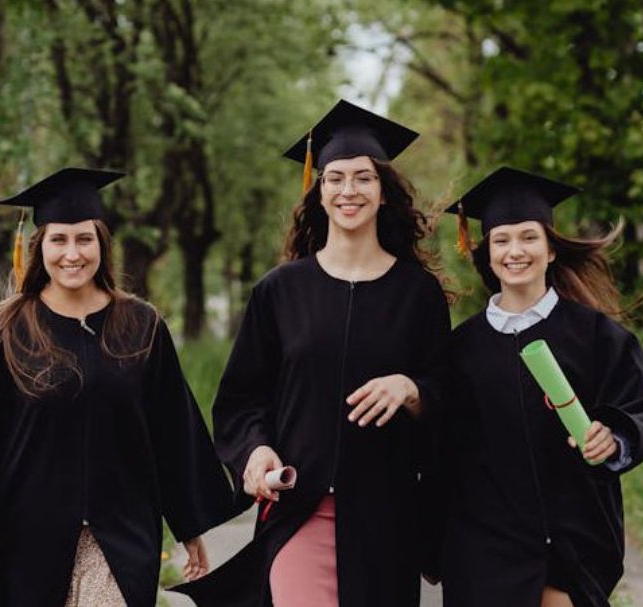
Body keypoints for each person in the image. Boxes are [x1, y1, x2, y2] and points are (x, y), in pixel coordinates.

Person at [172, 100, 451, 607]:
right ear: (318, 192)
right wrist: (255, 452)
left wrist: (411, 390)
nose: (349, 191)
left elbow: (448, 396)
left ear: (384, 192)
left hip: (384, 516)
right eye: (336, 178)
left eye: (364, 178)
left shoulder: (417, 295)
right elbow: (242, 400)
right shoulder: (280, 291)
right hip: (298, 508)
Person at [0, 168, 234, 607]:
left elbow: (172, 432)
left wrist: (189, 524)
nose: (72, 254)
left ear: (102, 244)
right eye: (58, 240)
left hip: (117, 538)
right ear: (38, 246)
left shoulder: (141, 326)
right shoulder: (4, 330)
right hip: (24, 541)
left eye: (84, 239)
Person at [436, 167, 643, 607]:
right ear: (485, 253)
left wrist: (613, 438)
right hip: (483, 550)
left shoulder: (596, 335)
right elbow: (442, 450)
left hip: (571, 541)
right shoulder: (459, 349)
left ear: (551, 249)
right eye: (501, 240)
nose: (515, 251)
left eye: (528, 237)